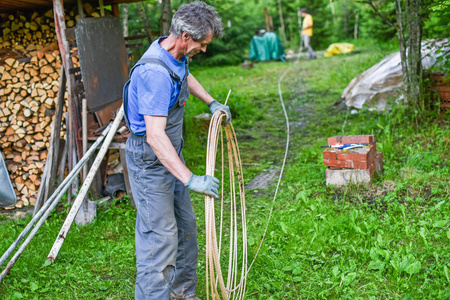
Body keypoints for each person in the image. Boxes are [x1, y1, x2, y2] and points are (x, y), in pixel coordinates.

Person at [123, 2, 231, 299]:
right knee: (160, 239)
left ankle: (182, 293)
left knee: (184, 228)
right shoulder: (153, 73)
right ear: (185, 35)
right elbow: (156, 137)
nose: (205, 50)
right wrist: (190, 178)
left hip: (171, 155)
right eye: (203, 44)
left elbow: (183, 76)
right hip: (150, 162)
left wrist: (210, 102)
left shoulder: (175, 54)